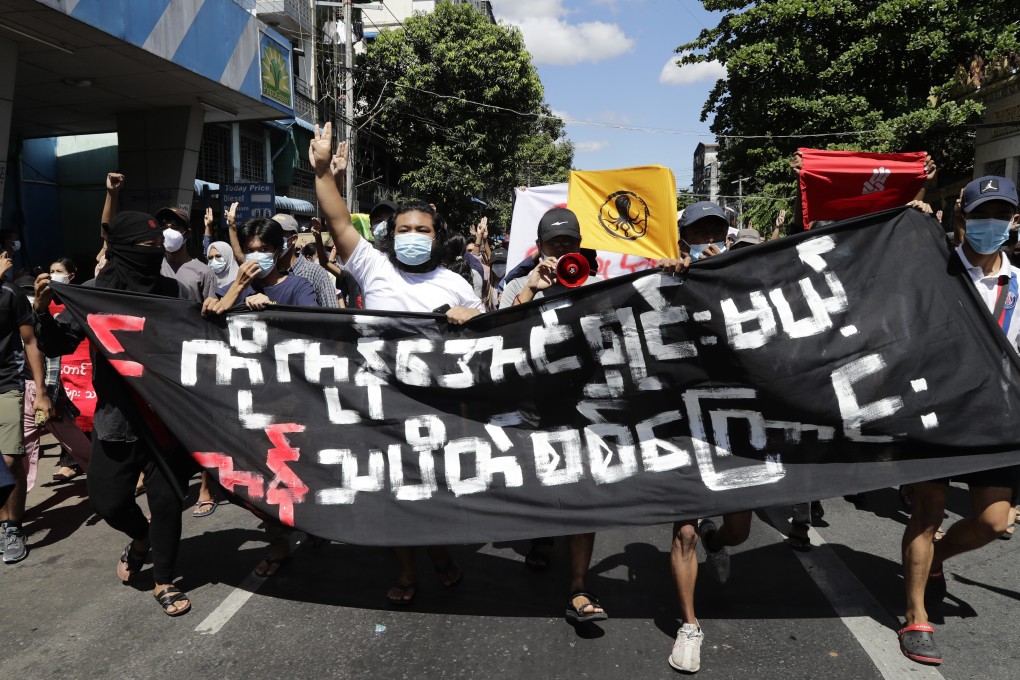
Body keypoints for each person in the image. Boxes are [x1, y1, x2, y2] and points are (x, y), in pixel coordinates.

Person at [311, 122, 481, 604]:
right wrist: (323, 172)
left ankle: (441, 552)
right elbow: (340, 221)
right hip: (380, 403)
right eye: (403, 229)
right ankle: (408, 571)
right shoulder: (372, 264)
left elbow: (492, 343)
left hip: (437, 408)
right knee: (394, 493)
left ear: (436, 236)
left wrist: (472, 317)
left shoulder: (457, 285)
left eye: (421, 230)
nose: (410, 236)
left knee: (433, 492)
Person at [33, 211, 198, 616]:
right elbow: (55, 344)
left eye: (158, 247)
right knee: (108, 502)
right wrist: (41, 312)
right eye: (146, 247)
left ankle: (164, 579)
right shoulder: (92, 293)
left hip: (166, 420)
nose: (154, 254)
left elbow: (197, 344)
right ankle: (140, 539)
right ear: (124, 249)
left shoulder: (173, 292)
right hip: (116, 420)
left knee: (166, 502)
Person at [899, 176, 1020, 666]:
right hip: (937, 413)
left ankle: (937, 560)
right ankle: (914, 616)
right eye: (979, 215)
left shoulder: (1018, 283)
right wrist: (906, 223)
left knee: (995, 522)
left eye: (1000, 214)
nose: (989, 225)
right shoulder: (933, 270)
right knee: (927, 514)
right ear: (960, 219)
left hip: (998, 418)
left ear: (1014, 221)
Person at [0, 251, 52, 564]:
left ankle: (12, 526)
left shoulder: (10, 294)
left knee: (9, 458)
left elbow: (31, 343)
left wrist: (41, 391)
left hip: (6, 385)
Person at [499, 208, 602, 309]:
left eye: (568, 242)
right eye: (553, 242)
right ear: (539, 246)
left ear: (579, 243)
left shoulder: (598, 288)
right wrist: (530, 290)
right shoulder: (517, 288)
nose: (561, 248)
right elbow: (503, 325)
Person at [270, 214, 339, 309]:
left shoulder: (315, 273)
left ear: (294, 239)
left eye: (279, 234)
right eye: (271, 235)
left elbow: (332, 313)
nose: (274, 240)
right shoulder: (267, 272)